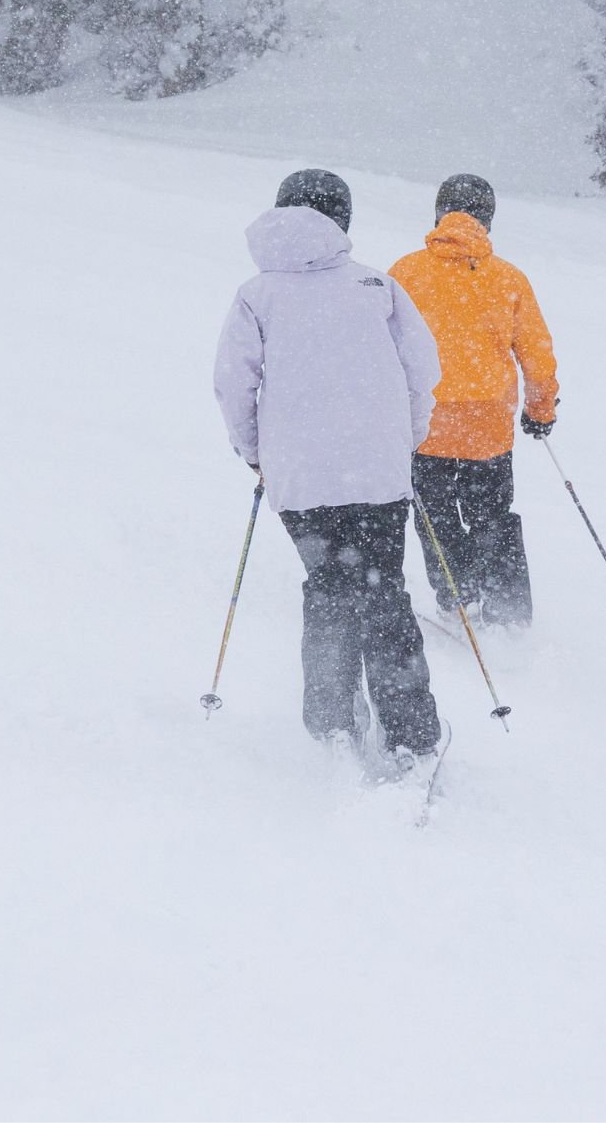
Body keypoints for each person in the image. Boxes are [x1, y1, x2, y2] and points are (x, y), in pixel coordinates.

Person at [212, 168, 446, 766]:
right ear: (341, 218)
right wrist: (407, 440)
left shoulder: (255, 294)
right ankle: (409, 736)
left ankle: (333, 724)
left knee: (329, 589)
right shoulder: (375, 286)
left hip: (300, 481)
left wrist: (256, 452)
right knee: (383, 591)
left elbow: (233, 386)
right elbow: (423, 372)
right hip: (377, 474)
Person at [389, 173, 557, 628]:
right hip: (488, 426)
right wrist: (540, 411)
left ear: (439, 213)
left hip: (427, 424)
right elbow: (538, 359)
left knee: (436, 515)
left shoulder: (405, 273)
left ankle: (456, 596)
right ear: (489, 219)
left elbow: (385, 348)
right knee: (493, 515)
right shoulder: (508, 278)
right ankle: (507, 607)